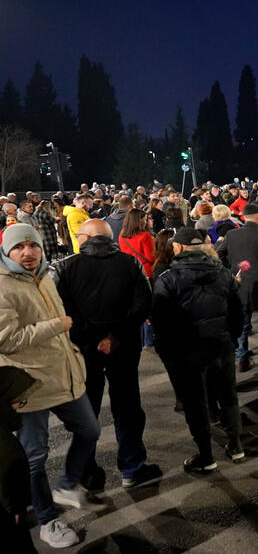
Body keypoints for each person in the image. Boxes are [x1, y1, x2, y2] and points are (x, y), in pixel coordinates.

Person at [1, 224, 102, 548]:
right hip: (29, 384)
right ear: (7, 252)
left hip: (63, 374)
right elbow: (6, 340)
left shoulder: (45, 275)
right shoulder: (2, 285)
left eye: (33, 246)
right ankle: (46, 520)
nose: (27, 253)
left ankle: (67, 484)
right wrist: (55, 326)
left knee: (90, 430)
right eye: (19, 248)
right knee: (35, 457)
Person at [52, 219, 161, 492]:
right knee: (127, 406)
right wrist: (114, 335)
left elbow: (63, 312)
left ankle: (87, 472)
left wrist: (94, 337)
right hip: (123, 346)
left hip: (84, 350)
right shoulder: (130, 263)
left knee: (87, 410)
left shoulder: (65, 267)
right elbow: (143, 304)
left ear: (85, 237)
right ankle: (132, 467)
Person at [151, 227, 245, 473]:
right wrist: (231, 339)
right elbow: (238, 312)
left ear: (178, 248)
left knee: (196, 404)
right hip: (221, 347)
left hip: (188, 354)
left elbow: (161, 323)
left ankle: (206, 455)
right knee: (228, 398)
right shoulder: (223, 274)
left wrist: (168, 353)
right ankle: (236, 446)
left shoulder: (167, 279)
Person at [216, 202, 258, 374]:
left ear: (244, 217)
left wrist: (232, 269)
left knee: (243, 322)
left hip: (241, 284)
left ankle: (242, 358)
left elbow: (220, 254)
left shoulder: (231, 235)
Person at [0, 366, 37, 553]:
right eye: (18, 402)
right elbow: (7, 470)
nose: (19, 407)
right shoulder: (4, 440)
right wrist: (15, 506)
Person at [118, 208, 157, 278]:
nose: (145, 222)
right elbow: (151, 258)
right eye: (145, 219)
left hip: (129, 271)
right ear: (139, 221)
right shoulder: (145, 235)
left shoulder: (121, 236)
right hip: (145, 271)